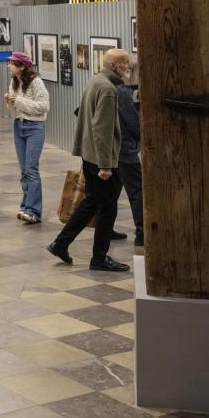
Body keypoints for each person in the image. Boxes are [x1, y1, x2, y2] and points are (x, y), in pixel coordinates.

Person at [47, 48, 133, 272]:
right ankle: (99, 258)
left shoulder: (97, 81)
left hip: (89, 154)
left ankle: (60, 243)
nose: (129, 66)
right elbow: (102, 129)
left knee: (92, 202)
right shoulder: (107, 89)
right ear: (114, 66)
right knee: (107, 208)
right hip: (100, 158)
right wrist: (106, 165)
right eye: (125, 62)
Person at [5, 52, 50, 224]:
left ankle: (34, 211)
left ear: (22, 66)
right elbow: (15, 107)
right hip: (19, 125)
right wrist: (10, 101)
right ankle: (25, 206)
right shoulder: (14, 81)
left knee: (31, 169)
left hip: (35, 127)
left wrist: (17, 101)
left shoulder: (36, 82)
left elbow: (44, 107)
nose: (9, 66)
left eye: (12, 64)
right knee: (24, 170)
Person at [118, 76, 144, 246]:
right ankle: (142, 232)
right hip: (124, 150)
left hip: (115, 149)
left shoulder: (111, 87)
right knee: (136, 190)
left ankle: (104, 229)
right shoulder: (123, 92)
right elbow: (134, 123)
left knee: (107, 195)